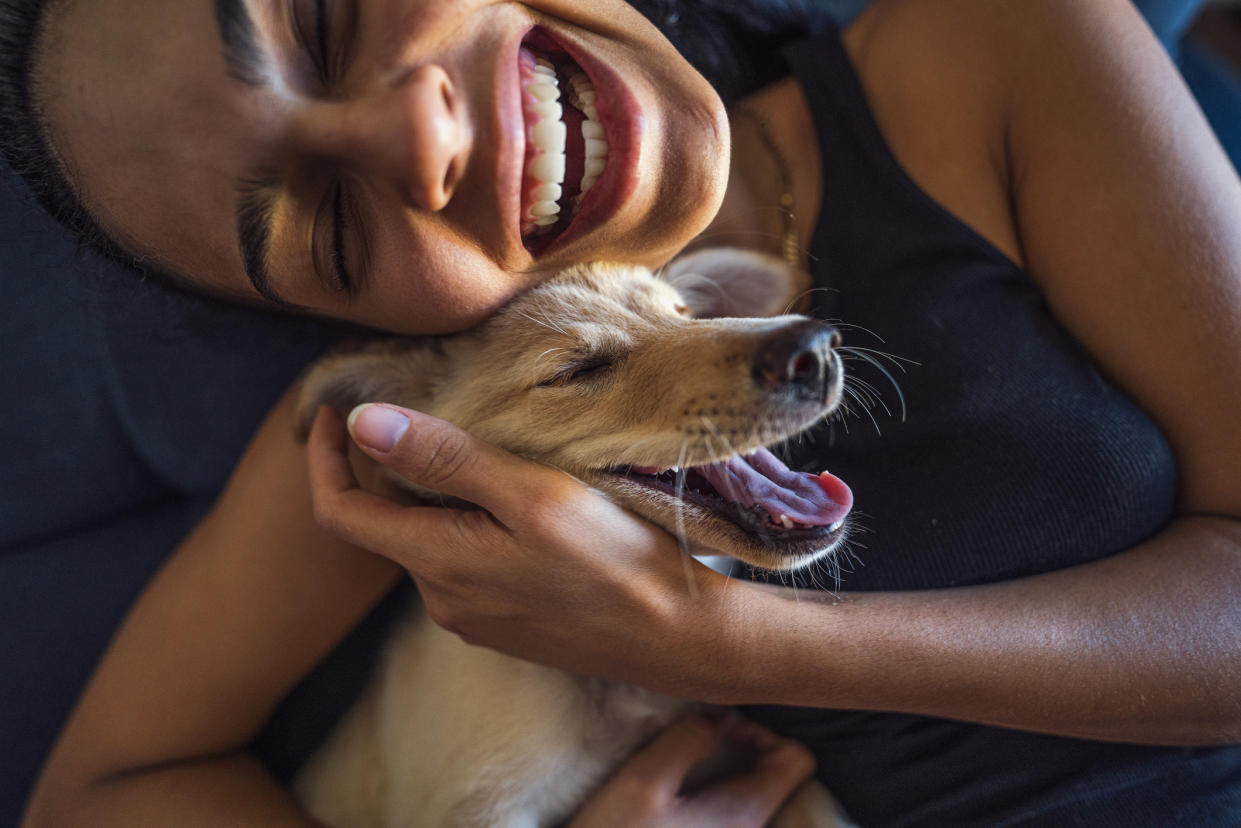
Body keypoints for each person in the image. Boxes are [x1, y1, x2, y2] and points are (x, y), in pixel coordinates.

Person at [4, 0, 1241, 825]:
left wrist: (713, 641)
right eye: (329, 225)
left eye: (323, 17)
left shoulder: (1001, 47)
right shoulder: (411, 423)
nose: (420, 133)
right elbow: (106, 791)